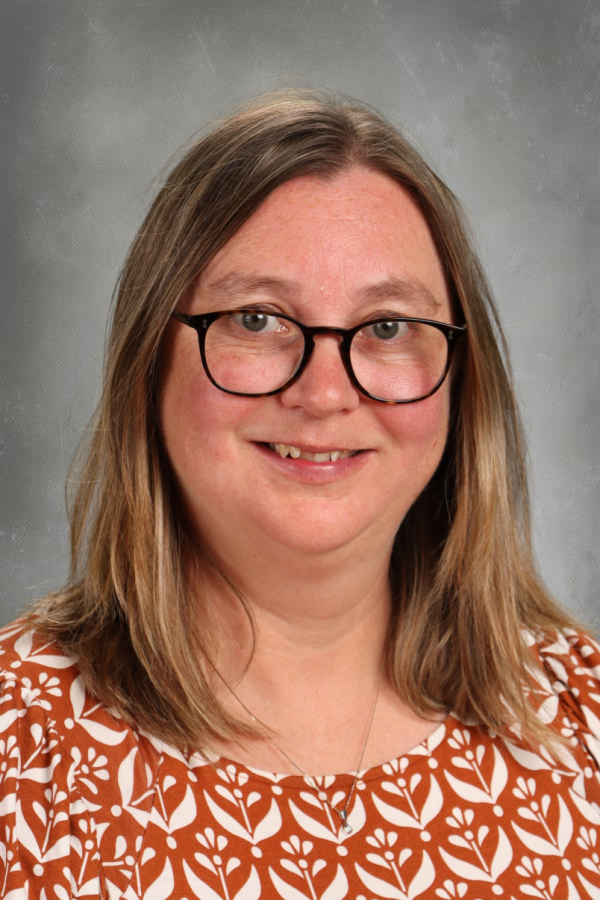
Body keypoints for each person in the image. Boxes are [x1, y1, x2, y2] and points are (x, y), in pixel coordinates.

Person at [1, 90, 599, 900]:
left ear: (464, 380)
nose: (323, 393)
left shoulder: (583, 719)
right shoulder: (20, 744)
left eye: (387, 326)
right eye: (257, 318)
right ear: (150, 361)